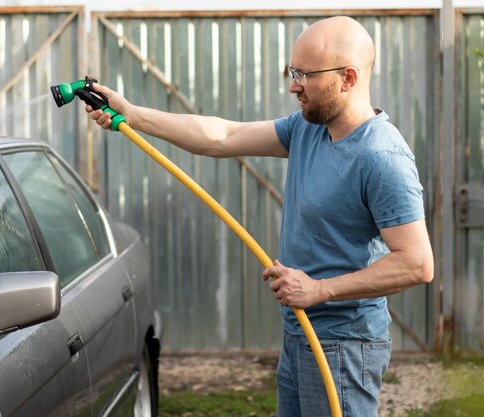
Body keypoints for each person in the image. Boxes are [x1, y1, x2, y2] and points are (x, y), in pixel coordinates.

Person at [86, 15, 434, 417]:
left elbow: (417, 264)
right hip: (299, 330)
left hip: (343, 345)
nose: (292, 86)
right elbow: (224, 137)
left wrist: (319, 290)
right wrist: (132, 114)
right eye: (292, 71)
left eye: (304, 75)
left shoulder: (381, 157)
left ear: (348, 78)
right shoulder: (310, 129)